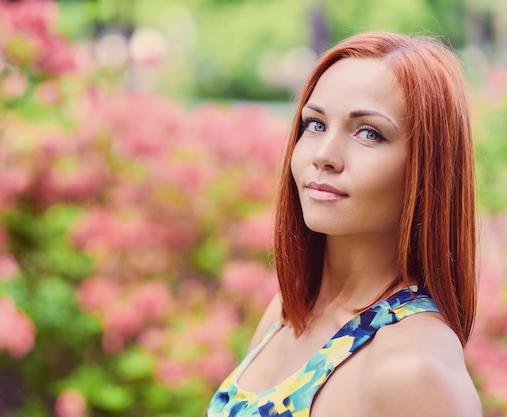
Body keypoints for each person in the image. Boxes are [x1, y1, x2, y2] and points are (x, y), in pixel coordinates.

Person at [206, 31, 481, 417]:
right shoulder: (289, 309)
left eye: (369, 133)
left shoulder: (412, 369)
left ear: (428, 169)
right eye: (314, 125)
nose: (324, 155)